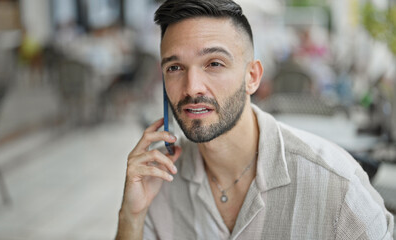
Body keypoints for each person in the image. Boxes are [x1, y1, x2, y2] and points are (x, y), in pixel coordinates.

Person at [116, 0, 394, 239]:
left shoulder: (336, 185)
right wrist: (131, 215)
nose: (192, 87)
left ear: (252, 77)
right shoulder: (158, 181)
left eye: (214, 63)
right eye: (175, 67)